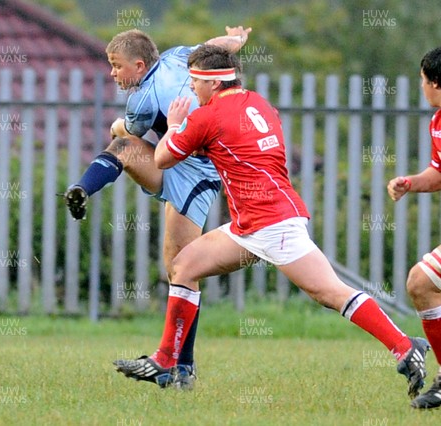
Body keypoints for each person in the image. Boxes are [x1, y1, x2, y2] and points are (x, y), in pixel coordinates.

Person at [114, 44, 431, 401]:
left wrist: (173, 126)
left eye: (194, 83)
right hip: (253, 222)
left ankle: (406, 347)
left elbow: (161, 158)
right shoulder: (258, 102)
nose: (190, 90)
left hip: (271, 224)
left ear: (213, 84)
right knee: (184, 265)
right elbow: (239, 143)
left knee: (329, 292)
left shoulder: (206, 116)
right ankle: (167, 360)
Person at [63, 27, 251, 389]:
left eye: (116, 67)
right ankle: (81, 190)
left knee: (181, 267)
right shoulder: (180, 53)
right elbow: (214, 47)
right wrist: (237, 40)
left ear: (138, 64)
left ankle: (182, 368)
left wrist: (119, 123)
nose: (113, 74)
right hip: (174, 159)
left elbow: (126, 126)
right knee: (176, 266)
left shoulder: (143, 98)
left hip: (197, 171)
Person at [387, 46, 441, 409]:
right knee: (422, 283)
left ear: (436, 83)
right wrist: (411, 182)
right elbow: (438, 172)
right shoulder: (437, 123)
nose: (421, 87)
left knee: (421, 280)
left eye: (422, 81)